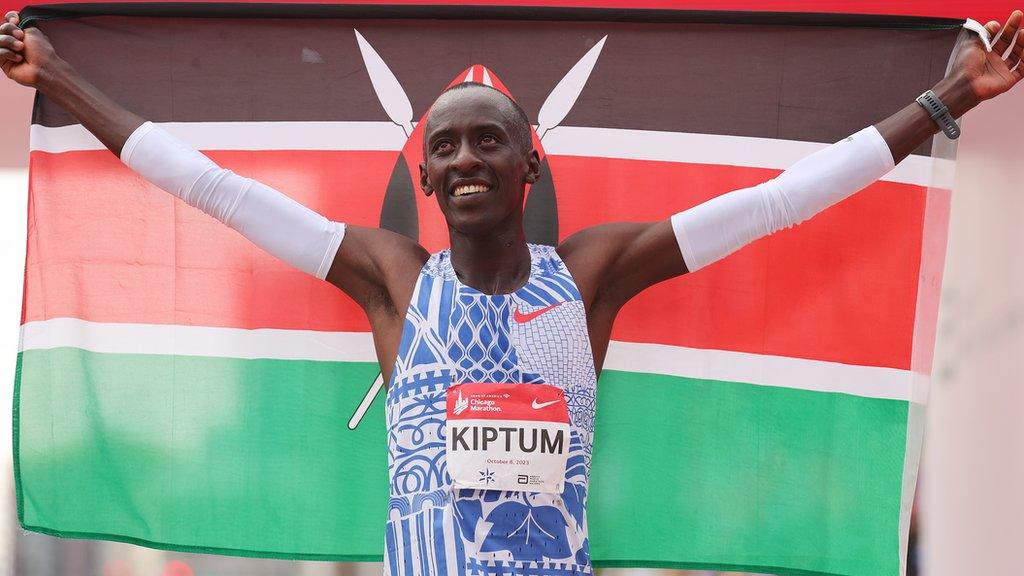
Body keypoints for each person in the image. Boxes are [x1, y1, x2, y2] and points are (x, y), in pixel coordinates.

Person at [1, 9, 1021, 575]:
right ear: (427, 180)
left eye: (489, 139)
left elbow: (780, 202)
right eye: (445, 147)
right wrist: (60, 81)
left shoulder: (590, 277)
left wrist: (941, 102)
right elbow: (208, 187)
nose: (467, 157)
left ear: (528, 166)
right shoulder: (391, 280)